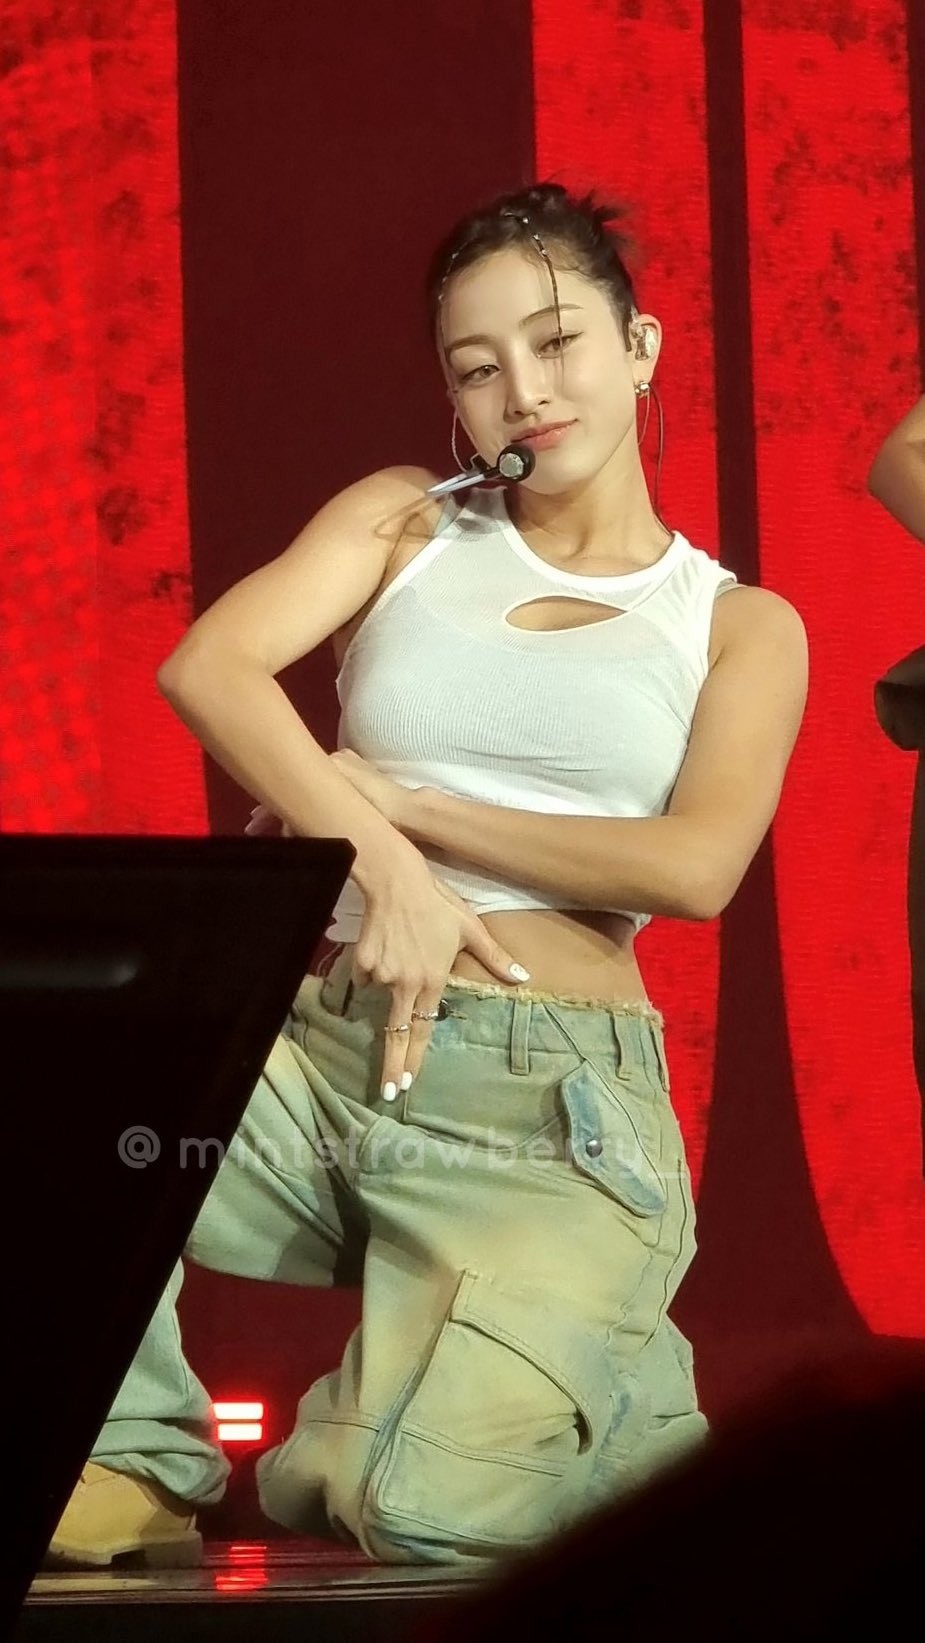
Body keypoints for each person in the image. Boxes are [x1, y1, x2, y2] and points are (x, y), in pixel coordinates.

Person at [47, 182, 807, 1570]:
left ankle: (607, 1405)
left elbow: (695, 868)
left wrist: (400, 802)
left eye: (557, 342)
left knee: (419, 1512)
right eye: (477, 367)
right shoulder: (405, 523)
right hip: (334, 1069)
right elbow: (210, 667)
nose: (524, 390)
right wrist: (386, 866)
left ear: (640, 345)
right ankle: (135, 1449)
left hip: (551, 1107)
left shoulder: (734, 623)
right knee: (64, 1081)